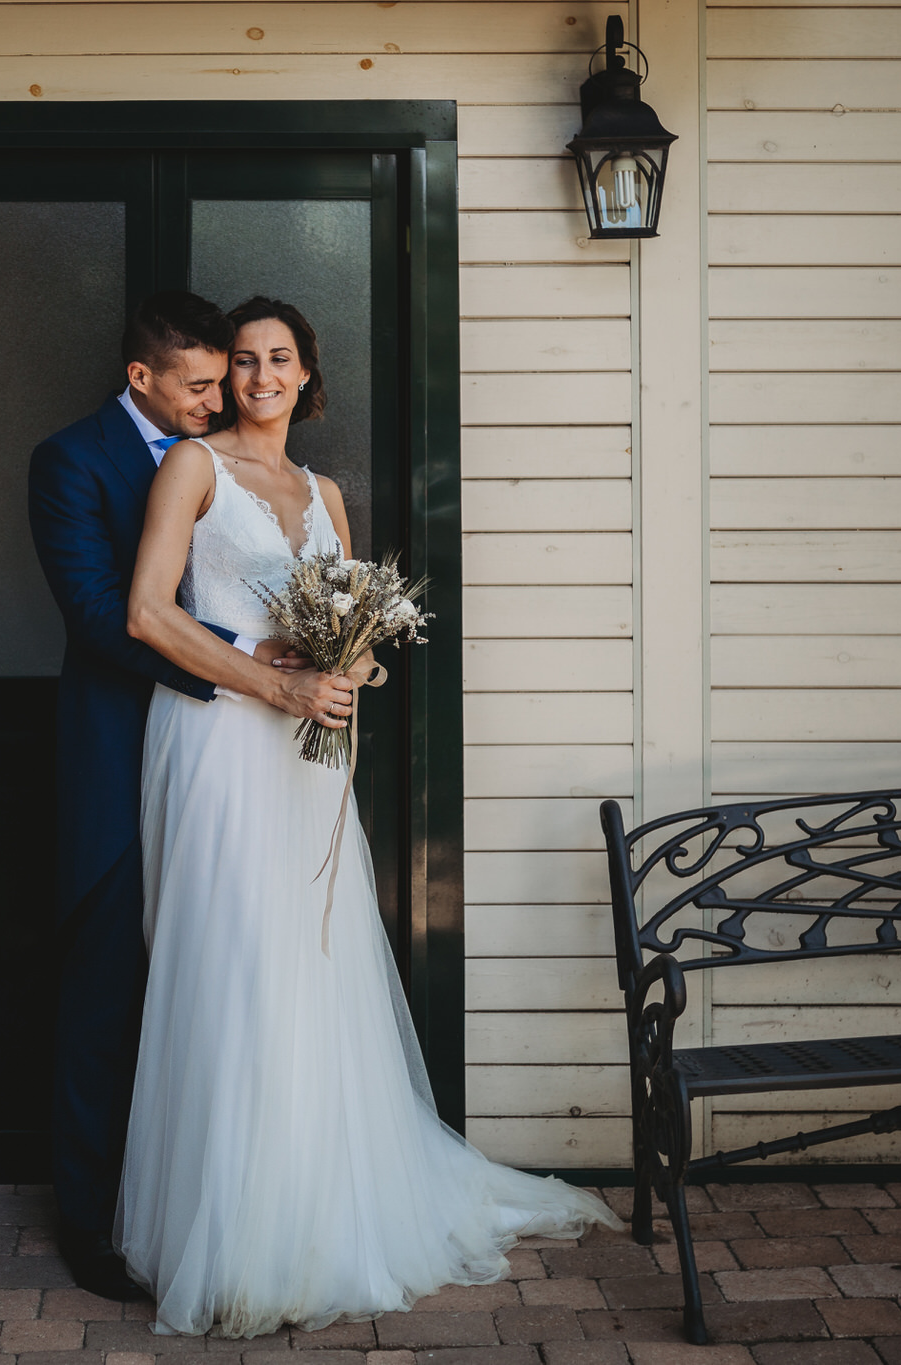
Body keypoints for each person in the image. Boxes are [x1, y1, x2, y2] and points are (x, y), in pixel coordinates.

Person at [119, 296, 623, 1337]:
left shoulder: (324, 492)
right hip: (217, 749)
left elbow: (349, 629)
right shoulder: (190, 467)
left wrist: (350, 667)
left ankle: (317, 1210)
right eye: (246, 360)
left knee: (312, 966)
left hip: (307, 761)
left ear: (308, 377)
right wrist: (274, 689)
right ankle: (236, 1235)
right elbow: (146, 614)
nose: (259, 376)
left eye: (279, 359)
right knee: (234, 965)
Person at [27, 291, 356, 1302]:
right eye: (207, 380)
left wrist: (345, 662)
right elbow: (101, 617)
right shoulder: (76, 461)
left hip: (264, 756)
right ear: (145, 379)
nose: (225, 395)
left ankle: (262, 1198)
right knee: (108, 988)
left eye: (250, 370)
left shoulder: (265, 465)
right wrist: (260, 664)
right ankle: (93, 1225)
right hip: (145, 746)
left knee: (256, 980)